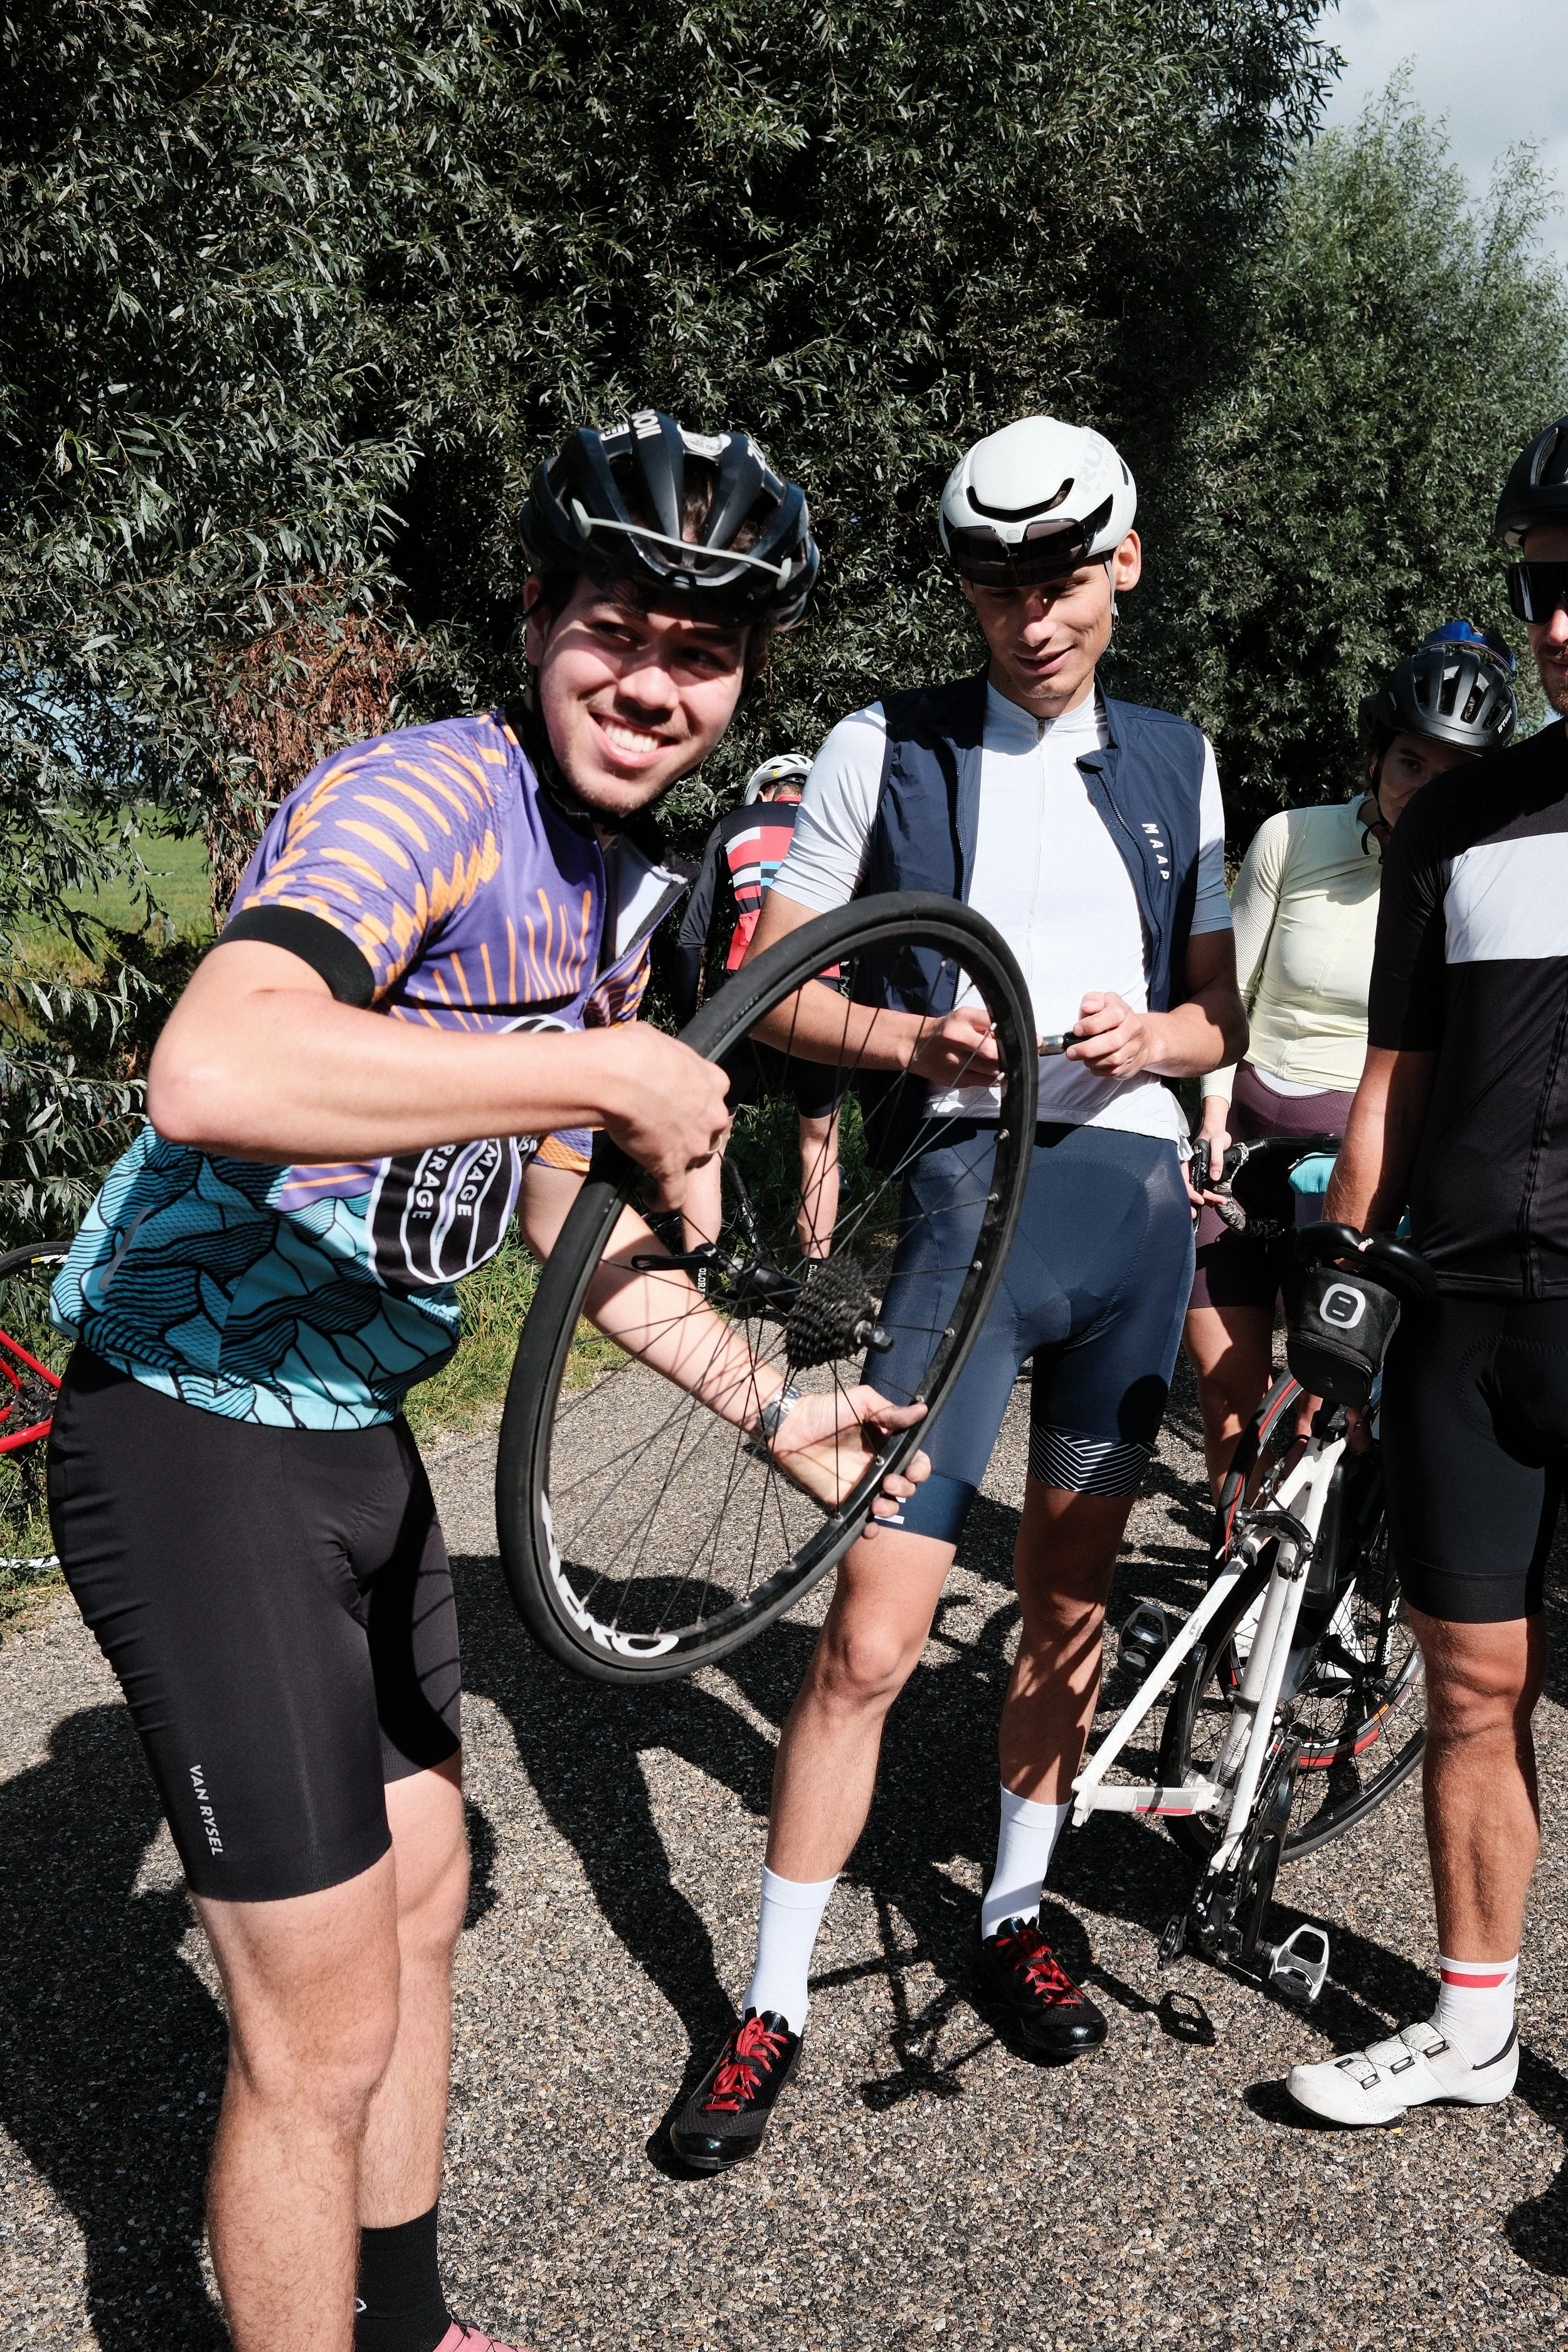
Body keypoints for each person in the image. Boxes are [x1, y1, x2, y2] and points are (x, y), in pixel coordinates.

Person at [44, 411, 930, 2351]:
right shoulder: (423, 796)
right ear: (532, 616)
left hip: (352, 1435)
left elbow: (543, 1195)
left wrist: (765, 1402)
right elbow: (217, 1065)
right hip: (192, 1428)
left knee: (424, 1885)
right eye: (616, 623)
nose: (653, 680)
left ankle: (412, 2321)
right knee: (319, 2024)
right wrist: (607, 1075)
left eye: (704, 652)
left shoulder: (619, 883)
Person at [667, 413, 1248, 2173]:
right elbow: (772, 988)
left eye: (1064, 574)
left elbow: (1216, 1012)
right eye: (996, 582)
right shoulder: (880, 743)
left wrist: (1157, 1034)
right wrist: (916, 1032)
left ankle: (1012, 1905)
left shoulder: (1177, 756)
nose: (1032, 613)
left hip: (1133, 1214)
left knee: (1067, 1598)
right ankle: (765, 1996)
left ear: (1124, 562)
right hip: (964, 1212)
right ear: (965, 590)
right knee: (867, 1636)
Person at [1286, 414, 1568, 2126]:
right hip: (1458, 1314)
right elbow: (1384, 1071)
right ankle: (1473, 2031)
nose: (1556, 629)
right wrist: (1341, 1285)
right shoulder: (1452, 817)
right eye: (1541, 591)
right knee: (1467, 1683)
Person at [1184, 624, 1518, 1493]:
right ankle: (1236, 1580)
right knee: (1227, 1387)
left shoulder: (1479, 880)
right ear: (1375, 756)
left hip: (1360, 1170)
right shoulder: (1292, 839)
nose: (1426, 790)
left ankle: (1305, 1576)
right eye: (1412, 762)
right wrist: (1211, 1121)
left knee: (1327, 1405)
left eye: (1454, 776)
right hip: (1248, 1146)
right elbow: (1234, 997)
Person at [673, 751, 845, 1259]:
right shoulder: (835, 832)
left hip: (742, 997)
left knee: (707, 1148)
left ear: (762, 793)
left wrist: (692, 1028)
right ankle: (815, 1284)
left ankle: (699, 1284)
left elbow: (690, 939)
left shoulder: (734, 825)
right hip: (823, 997)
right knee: (820, 1146)